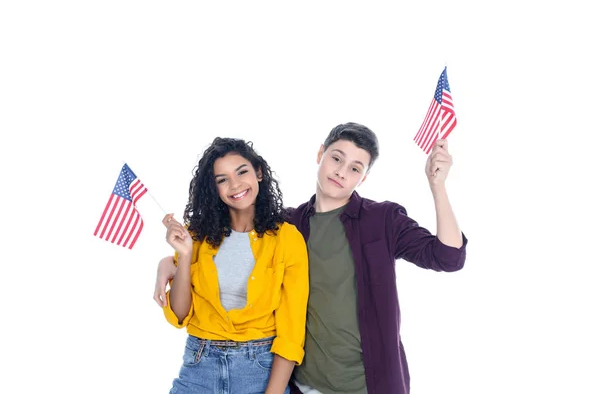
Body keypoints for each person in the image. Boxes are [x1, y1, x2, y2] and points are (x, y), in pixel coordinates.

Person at [155, 123, 467, 394]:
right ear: (320, 155)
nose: (342, 172)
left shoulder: (382, 219)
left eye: (355, 168)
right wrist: (170, 263)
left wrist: (437, 186)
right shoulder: (290, 224)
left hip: (368, 384)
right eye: (336, 158)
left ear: (364, 178)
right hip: (302, 384)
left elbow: (448, 257)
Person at [160, 137, 309, 394]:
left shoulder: (287, 238)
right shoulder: (196, 235)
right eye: (222, 179)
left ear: (258, 173)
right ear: (214, 188)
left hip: (259, 370)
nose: (235, 184)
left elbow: (291, 333)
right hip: (199, 366)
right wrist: (183, 256)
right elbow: (180, 314)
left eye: (242, 172)